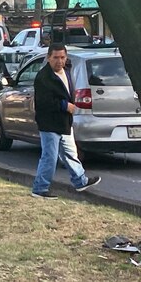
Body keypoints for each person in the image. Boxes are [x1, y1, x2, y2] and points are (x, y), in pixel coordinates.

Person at [31, 44, 101, 199]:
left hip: (64, 122)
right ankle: (40, 188)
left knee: (70, 154)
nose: (59, 61)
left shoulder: (67, 70)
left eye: (62, 57)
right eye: (55, 57)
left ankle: (80, 181)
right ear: (48, 57)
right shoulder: (43, 77)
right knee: (50, 156)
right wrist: (64, 105)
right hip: (49, 123)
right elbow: (43, 102)